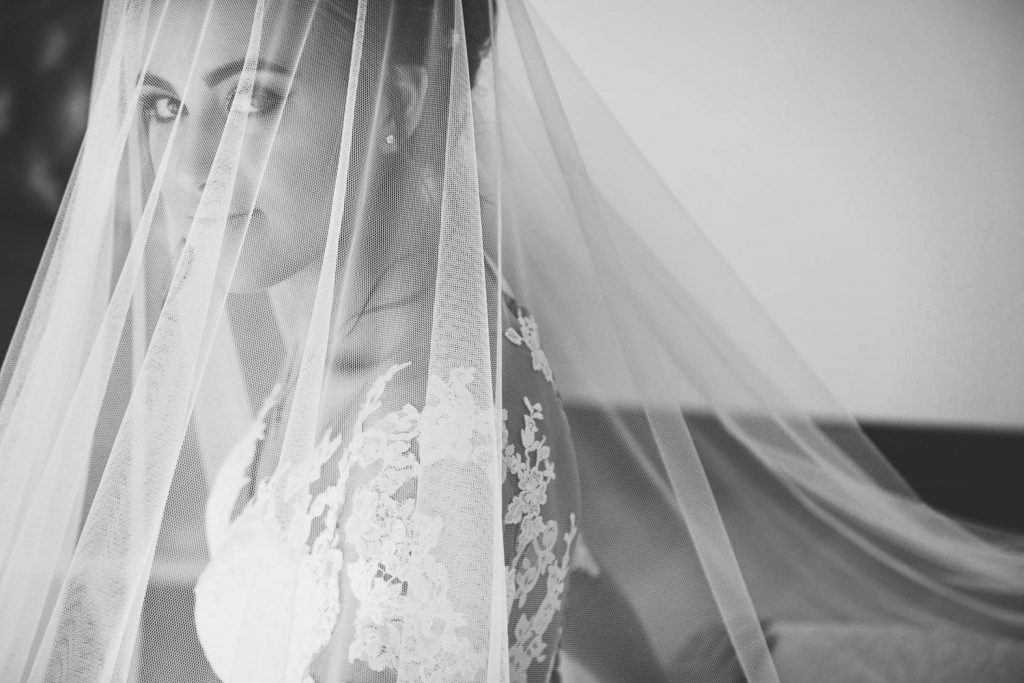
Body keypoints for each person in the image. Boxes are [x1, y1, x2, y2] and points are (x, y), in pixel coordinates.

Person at [0, 1, 1022, 681]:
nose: (191, 169)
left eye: (255, 97)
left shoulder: (421, 433)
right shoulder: (416, 336)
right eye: (164, 108)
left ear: (397, 102)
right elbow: (565, 579)